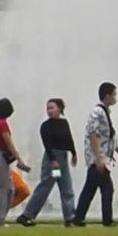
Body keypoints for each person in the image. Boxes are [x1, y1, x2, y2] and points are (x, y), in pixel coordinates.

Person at [19, 97, 78, 228]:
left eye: (52, 108)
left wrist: (74, 154)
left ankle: (70, 217)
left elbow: (69, 139)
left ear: (60, 109)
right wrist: (53, 160)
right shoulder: (46, 126)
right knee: (45, 187)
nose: (49, 111)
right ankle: (26, 215)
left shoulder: (64, 123)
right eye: (48, 108)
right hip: (53, 161)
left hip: (63, 159)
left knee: (67, 188)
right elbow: (47, 144)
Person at [77, 80, 118, 227]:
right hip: (97, 158)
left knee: (89, 189)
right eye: (114, 95)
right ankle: (107, 220)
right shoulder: (97, 113)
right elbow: (93, 134)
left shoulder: (105, 113)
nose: (115, 98)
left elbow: (109, 137)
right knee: (107, 189)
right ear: (107, 96)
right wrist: (98, 158)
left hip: (100, 158)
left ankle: (78, 218)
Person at [0, 97, 23, 225]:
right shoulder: (2, 124)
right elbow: (8, 142)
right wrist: (18, 158)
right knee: (1, 191)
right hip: (0, 158)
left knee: (9, 190)